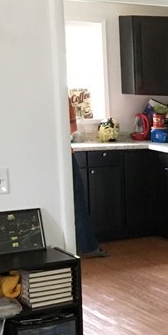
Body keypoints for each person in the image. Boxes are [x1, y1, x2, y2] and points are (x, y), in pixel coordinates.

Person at [69, 96, 109, 258]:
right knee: (77, 200)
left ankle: (78, 247)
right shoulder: (59, 94)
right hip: (64, 154)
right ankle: (88, 247)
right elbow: (70, 128)